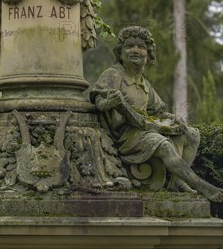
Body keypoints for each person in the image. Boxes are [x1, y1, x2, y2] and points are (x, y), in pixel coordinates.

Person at [90, 26, 223, 202]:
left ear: (148, 54)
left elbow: (158, 111)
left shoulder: (145, 84)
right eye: (129, 46)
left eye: (141, 47)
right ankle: (202, 186)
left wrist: (173, 118)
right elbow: (99, 102)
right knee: (164, 145)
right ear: (120, 53)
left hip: (142, 129)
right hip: (124, 136)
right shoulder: (113, 75)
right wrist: (109, 102)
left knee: (192, 134)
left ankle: (177, 182)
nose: (135, 50)